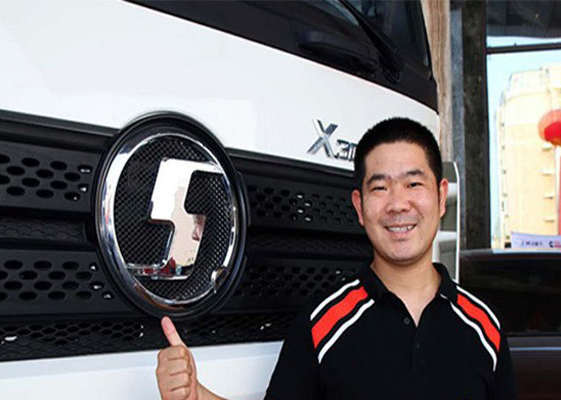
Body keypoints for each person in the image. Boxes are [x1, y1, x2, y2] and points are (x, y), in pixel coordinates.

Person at [155, 118, 516, 400]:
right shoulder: (321, 323)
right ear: (359, 207)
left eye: (413, 184)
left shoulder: (484, 326)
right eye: (380, 187)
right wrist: (196, 394)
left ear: (440, 196)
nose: (397, 204)